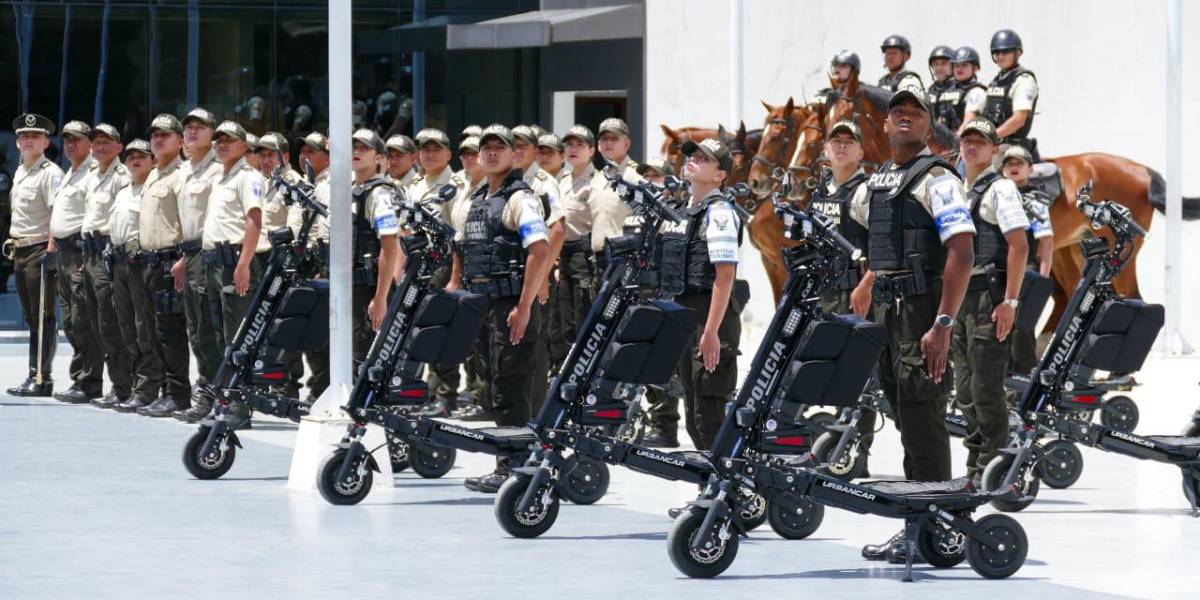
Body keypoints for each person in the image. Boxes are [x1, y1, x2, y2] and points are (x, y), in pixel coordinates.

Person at [846, 90, 974, 561]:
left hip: (922, 314)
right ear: (883, 125)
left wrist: (942, 324)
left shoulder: (937, 178)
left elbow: (962, 252)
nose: (905, 117)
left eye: (915, 112)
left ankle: (940, 527)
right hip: (888, 313)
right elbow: (887, 244)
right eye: (897, 111)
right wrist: (867, 281)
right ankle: (921, 521)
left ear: (929, 125)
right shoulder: (881, 181)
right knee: (906, 419)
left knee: (923, 419)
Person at [458, 124, 553, 493]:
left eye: (501, 148)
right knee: (497, 384)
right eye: (487, 148)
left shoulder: (521, 198)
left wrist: (524, 306)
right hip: (486, 304)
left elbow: (539, 251)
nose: (492, 153)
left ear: (516, 156)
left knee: (511, 387)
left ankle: (513, 469)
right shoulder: (481, 198)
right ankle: (512, 463)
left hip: (512, 305)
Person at [951, 118, 1029, 479]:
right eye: (967, 140)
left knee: (985, 389)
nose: (972, 147)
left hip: (989, 298)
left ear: (994, 150)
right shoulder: (955, 188)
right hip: (960, 299)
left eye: (980, 142)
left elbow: (1019, 246)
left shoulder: (1001, 190)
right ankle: (975, 464)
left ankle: (994, 467)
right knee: (964, 391)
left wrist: (1009, 302)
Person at [674, 138, 742, 450]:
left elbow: (725, 274)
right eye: (693, 155)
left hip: (709, 315)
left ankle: (724, 490)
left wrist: (712, 331)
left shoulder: (720, 213)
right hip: (685, 317)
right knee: (692, 411)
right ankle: (709, 491)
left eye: (704, 158)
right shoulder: (685, 210)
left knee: (709, 411)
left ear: (719, 176)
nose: (693, 159)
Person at [96, 139, 166, 411]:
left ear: (153, 161)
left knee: (144, 328)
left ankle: (148, 388)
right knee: (125, 327)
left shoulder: (153, 188)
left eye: (141, 156)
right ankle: (130, 385)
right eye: (130, 157)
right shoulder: (124, 190)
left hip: (141, 262)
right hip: (119, 262)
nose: (135, 161)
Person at [406, 127, 467, 417]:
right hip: (418, 263)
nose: (429, 154)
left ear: (448, 154)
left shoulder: (454, 185)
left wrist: (455, 276)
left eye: (435, 149)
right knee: (421, 330)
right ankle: (430, 390)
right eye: (424, 149)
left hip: (442, 263)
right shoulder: (416, 185)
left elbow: (457, 236)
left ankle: (446, 394)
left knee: (441, 330)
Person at [170, 108, 225, 420]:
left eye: (199, 127)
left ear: (212, 133)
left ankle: (214, 395)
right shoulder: (185, 170)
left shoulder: (217, 171)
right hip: (189, 255)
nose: (192, 132)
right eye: (188, 127)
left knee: (207, 328)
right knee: (195, 328)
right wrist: (182, 255)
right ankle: (205, 391)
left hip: (207, 256)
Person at [134, 114, 189, 414]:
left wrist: (183, 258)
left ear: (180, 141)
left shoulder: (182, 175)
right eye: (154, 134)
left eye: (165, 135)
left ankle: (178, 394)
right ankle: (161, 390)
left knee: (171, 332)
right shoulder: (155, 174)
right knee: (153, 330)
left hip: (171, 260)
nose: (157, 139)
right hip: (148, 260)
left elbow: (192, 220)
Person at [5, 113, 64, 397]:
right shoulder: (20, 171)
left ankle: (41, 377)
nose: (29, 140)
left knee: (43, 315)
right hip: (20, 249)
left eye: (35, 136)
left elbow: (57, 214)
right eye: (24, 136)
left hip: (40, 248)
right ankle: (35, 374)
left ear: (46, 141)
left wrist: (52, 251)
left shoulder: (50, 173)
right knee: (32, 316)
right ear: (17, 142)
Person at [49, 120, 104, 403]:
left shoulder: (93, 173)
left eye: (77, 139)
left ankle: (89, 381)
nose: (70, 144)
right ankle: (80, 377)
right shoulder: (70, 172)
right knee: (70, 321)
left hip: (80, 251)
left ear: (90, 143)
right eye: (67, 139)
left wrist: (87, 256)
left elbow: (93, 216)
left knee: (83, 320)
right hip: (63, 253)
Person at [511, 124, 566, 410]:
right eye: (514, 144)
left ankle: (534, 412)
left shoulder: (543, 181)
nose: (517, 150)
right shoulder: (507, 179)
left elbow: (558, 230)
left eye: (523, 145)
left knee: (534, 343)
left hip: (536, 270)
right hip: (512, 271)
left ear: (534, 150)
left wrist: (543, 276)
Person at [78, 123, 131, 407]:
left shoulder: (120, 176)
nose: (100, 147)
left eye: (107, 142)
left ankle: (123, 385)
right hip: (88, 254)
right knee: (96, 323)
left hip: (107, 253)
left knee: (111, 323)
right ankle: (114, 382)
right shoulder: (93, 175)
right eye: (96, 142)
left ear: (119, 147)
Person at [255, 131, 309, 399]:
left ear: (285, 156)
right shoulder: (262, 183)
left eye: (270, 155)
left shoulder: (294, 183)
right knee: (262, 324)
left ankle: (288, 385)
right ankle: (268, 379)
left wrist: (285, 261)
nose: (265, 160)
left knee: (283, 325)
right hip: (260, 259)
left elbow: (295, 227)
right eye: (262, 154)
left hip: (281, 260)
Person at [445, 134, 491, 420]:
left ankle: (488, 400)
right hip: (467, 265)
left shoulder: (494, 187)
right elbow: (456, 239)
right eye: (464, 154)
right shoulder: (461, 188)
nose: (469, 158)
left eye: (475, 153)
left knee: (489, 339)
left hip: (487, 266)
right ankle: (478, 394)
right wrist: (455, 277)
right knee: (474, 338)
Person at [999, 145, 1054, 381]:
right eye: (1009, 163)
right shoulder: (997, 193)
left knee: (1022, 326)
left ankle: (1023, 374)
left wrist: (1042, 278)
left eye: (1019, 163)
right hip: (999, 268)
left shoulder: (1035, 200)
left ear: (1030, 169)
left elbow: (1047, 242)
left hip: (1025, 269)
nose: (1013, 167)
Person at [588, 118, 641, 270]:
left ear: (627, 144)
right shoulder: (597, 178)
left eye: (614, 138)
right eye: (604, 139)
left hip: (625, 258)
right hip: (599, 260)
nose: (608, 143)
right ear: (598, 145)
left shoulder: (636, 176)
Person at [983, 29, 1040, 161]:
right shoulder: (996, 80)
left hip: (1011, 144)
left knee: (988, 169)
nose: (1000, 56)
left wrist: (991, 137)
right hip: (992, 141)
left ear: (1018, 52)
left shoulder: (1024, 80)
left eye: (1005, 51)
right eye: (996, 52)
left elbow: (1019, 120)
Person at [934, 47, 988, 135]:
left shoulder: (977, 92)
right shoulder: (947, 92)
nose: (959, 69)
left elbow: (968, 122)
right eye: (957, 65)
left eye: (964, 65)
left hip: (968, 141)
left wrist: (954, 142)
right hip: (947, 141)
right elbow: (940, 122)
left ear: (975, 68)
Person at [925, 45, 956, 127]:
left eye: (944, 64)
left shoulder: (960, 89)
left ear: (953, 65)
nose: (939, 68)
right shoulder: (930, 91)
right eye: (936, 64)